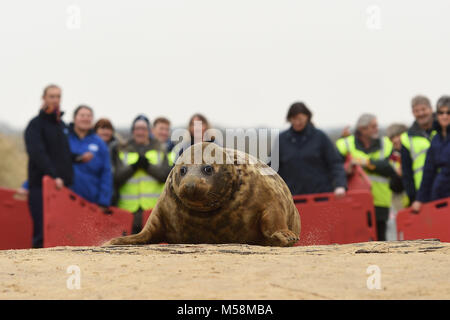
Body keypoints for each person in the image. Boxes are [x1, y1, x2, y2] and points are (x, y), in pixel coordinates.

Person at [24, 84, 73, 248]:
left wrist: (79, 158)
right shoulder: (35, 125)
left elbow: (62, 154)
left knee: (60, 233)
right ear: (43, 98)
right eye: (52, 96)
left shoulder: (61, 125)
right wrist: (53, 176)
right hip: (41, 187)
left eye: (58, 96)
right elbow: (38, 154)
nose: (55, 100)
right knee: (42, 233)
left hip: (62, 189)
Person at [336, 114, 397, 241]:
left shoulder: (386, 144)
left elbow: (391, 168)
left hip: (380, 201)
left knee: (380, 241)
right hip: (354, 201)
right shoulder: (344, 144)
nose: (377, 129)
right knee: (356, 239)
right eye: (373, 126)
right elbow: (335, 168)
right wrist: (347, 168)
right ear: (363, 129)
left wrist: (366, 162)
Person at [114, 115, 172, 233]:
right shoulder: (121, 150)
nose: (140, 132)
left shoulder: (161, 149)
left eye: (143, 129)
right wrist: (133, 167)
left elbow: (165, 176)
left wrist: (147, 167)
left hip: (153, 211)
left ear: (149, 131)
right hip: (127, 211)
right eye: (137, 129)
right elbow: (116, 178)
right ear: (133, 131)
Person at [276, 102, 347, 197]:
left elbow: (335, 163)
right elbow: (272, 170)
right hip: (292, 200)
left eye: (300, 119)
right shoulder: (281, 140)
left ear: (307, 117)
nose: (297, 122)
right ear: (289, 119)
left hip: (321, 197)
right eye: (294, 119)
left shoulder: (320, 137)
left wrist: (340, 185)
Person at [68, 105, 113, 208]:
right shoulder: (64, 139)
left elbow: (106, 173)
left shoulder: (99, 143)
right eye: (82, 115)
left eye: (89, 116)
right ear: (74, 118)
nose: (85, 118)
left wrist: (103, 201)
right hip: (66, 198)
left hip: (91, 201)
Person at [412, 96, 450, 212]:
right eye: (441, 112)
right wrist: (420, 199)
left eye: (448, 112)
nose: (445, 116)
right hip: (438, 195)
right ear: (436, 115)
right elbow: (428, 172)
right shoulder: (436, 140)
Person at [400, 95, 437, 205]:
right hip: (422, 194)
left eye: (423, 109)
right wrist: (413, 198)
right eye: (416, 111)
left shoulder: (445, 129)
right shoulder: (406, 138)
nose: (420, 113)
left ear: (431, 109)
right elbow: (407, 172)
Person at [94, 118, 123, 206]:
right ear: (95, 131)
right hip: (93, 193)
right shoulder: (90, 148)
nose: (105, 132)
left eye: (108, 129)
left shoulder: (118, 148)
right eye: (102, 128)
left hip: (113, 194)